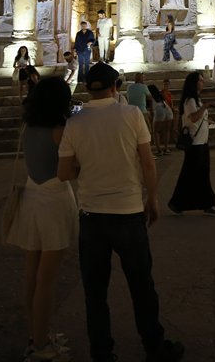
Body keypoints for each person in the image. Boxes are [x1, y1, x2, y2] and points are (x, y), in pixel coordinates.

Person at [57, 62, 185, 362]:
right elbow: (148, 162)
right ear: (116, 87)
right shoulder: (131, 114)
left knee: (95, 292)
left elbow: (64, 172)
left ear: (88, 88)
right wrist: (152, 200)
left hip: (91, 217)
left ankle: (102, 353)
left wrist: (89, 162)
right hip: (128, 213)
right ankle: (154, 346)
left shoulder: (74, 123)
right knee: (142, 285)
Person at [6, 77, 79, 362]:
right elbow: (66, 173)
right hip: (53, 201)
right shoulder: (60, 130)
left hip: (31, 198)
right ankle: (40, 346)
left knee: (31, 273)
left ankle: (38, 332)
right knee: (47, 279)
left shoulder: (29, 126)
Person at [168, 71, 215, 216]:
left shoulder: (196, 99)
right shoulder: (190, 100)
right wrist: (207, 105)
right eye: (200, 80)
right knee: (198, 175)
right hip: (196, 144)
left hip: (201, 143)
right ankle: (207, 204)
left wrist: (207, 120)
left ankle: (178, 203)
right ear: (194, 83)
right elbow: (193, 118)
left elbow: (198, 118)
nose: (203, 82)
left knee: (193, 175)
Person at [150, 84, 173, 156]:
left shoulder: (150, 97)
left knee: (156, 132)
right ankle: (166, 149)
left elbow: (151, 108)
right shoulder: (160, 95)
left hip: (159, 111)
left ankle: (159, 150)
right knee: (167, 131)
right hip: (168, 110)